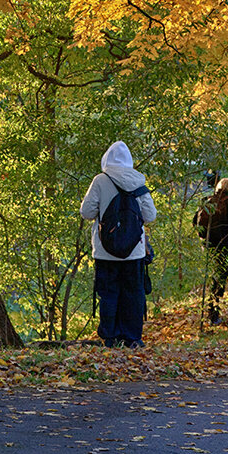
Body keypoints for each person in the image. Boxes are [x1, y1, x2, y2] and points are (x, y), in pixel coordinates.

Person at [80, 140, 157, 347]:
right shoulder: (138, 181)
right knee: (133, 293)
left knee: (109, 293)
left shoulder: (100, 180)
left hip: (105, 251)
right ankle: (132, 338)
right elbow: (150, 215)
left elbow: (86, 212)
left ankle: (110, 337)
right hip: (134, 251)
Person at [194, 177, 228, 326]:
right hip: (227, 246)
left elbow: (195, 223)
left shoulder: (206, 201)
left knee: (215, 277)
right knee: (220, 278)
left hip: (209, 246)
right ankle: (213, 314)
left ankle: (211, 312)